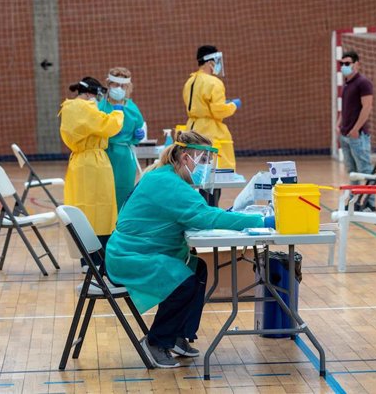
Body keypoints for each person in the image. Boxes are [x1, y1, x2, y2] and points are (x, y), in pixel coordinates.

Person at [105, 131, 275, 368]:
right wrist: (261, 222)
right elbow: (205, 216)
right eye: (203, 160)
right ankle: (155, 342)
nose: (206, 167)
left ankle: (177, 335)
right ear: (185, 158)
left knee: (198, 269)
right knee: (184, 283)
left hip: (141, 251)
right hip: (131, 256)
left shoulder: (166, 176)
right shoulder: (167, 182)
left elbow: (200, 214)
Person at [59, 77, 124, 260]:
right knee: (101, 211)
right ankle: (99, 258)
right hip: (94, 163)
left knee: (81, 210)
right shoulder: (85, 108)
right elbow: (109, 126)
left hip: (78, 163)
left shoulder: (68, 107)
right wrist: (118, 110)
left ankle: (85, 259)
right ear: (89, 94)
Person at [183, 45, 240, 171]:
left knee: (194, 169)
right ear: (210, 62)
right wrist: (232, 105)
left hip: (191, 128)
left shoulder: (190, 82)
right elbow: (218, 111)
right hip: (209, 131)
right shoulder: (213, 82)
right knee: (215, 171)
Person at [98, 67, 146, 211]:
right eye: (115, 85)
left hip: (125, 156)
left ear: (128, 87)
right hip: (104, 153)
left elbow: (138, 128)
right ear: (108, 84)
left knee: (124, 191)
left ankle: (120, 226)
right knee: (104, 191)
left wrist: (138, 136)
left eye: (123, 86)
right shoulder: (100, 106)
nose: (119, 89)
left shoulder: (132, 108)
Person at [336, 50, 375, 211]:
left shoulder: (363, 83)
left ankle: (370, 204)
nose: (344, 67)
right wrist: (338, 124)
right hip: (345, 135)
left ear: (356, 64)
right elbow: (345, 108)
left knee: (364, 170)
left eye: (347, 63)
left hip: (357, 136)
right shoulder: (347, 84)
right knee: (352, 171)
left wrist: (355, 129)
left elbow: (367, 107)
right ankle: (353, 202)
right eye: (341, 64)